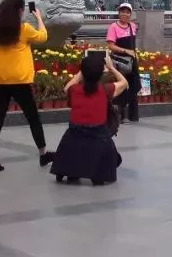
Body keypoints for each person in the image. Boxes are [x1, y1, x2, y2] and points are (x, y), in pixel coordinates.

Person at [0, 0, 53, 172]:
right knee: (32, 117)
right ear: (20, 10)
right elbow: (43, 36)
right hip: (20, 81)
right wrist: (39, 18)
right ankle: (43, 153)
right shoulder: (24, 29)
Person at [51, 52, 125, 185]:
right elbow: (124, 83)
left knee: (70, 139)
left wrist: (82, 71)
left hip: (75, 134)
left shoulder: (74, 90)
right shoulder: (105, 90)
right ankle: (98, 173)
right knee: (107, 145)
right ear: (101, 74)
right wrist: (111, 68)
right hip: (99, 136)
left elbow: (66, 88)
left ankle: (70, 170)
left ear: (83, 73)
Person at [106, 3, 141, 124]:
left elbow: (133, 44)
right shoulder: (113, 27)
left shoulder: (132, 26)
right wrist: (126, 51)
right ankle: (121, 114)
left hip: (132, 61)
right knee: (122, 86)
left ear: (130, 14)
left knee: (136, 85)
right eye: (122, 11)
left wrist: (135, 53)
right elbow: (111, 46)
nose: (125, 14)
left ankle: (131, 114)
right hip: (120, 61)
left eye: (127, 12)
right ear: (119, 13)